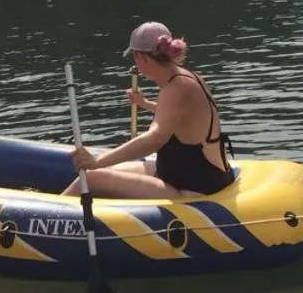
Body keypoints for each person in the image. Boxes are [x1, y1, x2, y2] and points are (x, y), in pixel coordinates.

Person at [64, 21, 236, 199]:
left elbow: (154, 139)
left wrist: (97, 161)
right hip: (193, 175)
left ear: (141, 58)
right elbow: (182, 119)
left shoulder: (174, 88)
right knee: (110, 169)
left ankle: (51, 212)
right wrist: (145, 103)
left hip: (193, 189)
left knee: (91, 179)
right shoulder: (187, 78)